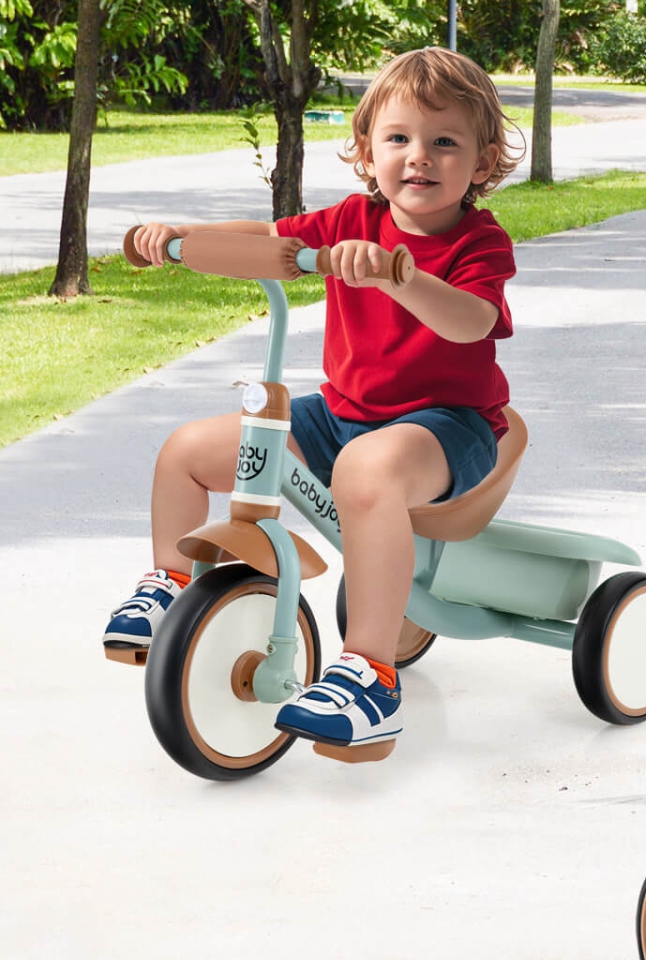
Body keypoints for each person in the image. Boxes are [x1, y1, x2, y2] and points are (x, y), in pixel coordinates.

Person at [103, 48, 523, 758]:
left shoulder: (479, 242)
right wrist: (180, 239)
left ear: (481, 164)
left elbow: (471, 321)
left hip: (450, 427)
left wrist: (398, 277)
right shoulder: (351, 220)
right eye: (398, 139)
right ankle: (170, 584)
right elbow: (266, 241)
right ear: (367, 152)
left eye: (444, 142)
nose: (418, 158)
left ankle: (370, 674)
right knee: (188, 452)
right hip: (342, 415)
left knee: (365, 471)